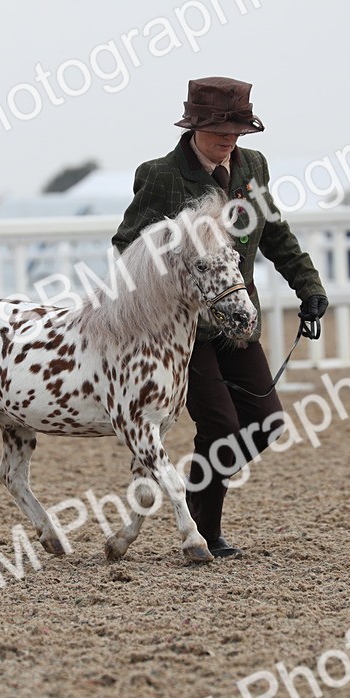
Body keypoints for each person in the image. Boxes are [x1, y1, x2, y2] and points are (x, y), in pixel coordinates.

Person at [111, 76, 328, 558]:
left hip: (235, 315)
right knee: (222, 426)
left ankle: (196, 492)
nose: (229, 139)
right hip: (182, 329)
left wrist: (309, 288)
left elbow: (274, 233)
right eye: (219, 130)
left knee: (265, 421)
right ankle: (205, 531)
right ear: (193, 127)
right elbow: (128, 245)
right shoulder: (161, 175)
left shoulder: (252, 166)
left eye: (236, 129)